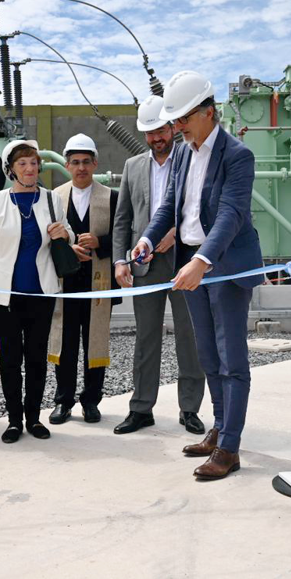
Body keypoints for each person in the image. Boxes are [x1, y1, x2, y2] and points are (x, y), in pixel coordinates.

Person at [132, 71, 263, 481]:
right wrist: (148, 240)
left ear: (209, 112)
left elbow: (230, 215)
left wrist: (202, 261)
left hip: (220, 266)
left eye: (183, 119)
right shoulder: (184, 153)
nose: (177, 128)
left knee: (231, 359)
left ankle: (230, 448)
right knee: (208, 355)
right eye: (174, 121)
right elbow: (171, 205)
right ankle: (219, 429)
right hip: (190, 262)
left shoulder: (237, 155)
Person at [113, 96, 205, 436]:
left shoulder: (192, 159)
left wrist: (175, 232)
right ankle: (140, 409)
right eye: (149, 132)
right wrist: (121, 259)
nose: (156, 138)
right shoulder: (132, 166)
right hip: (144, 268)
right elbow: (123, 219)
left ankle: (190, 409)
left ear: (172, 127)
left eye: (161, 130)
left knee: (189, 337)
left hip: (185, 263)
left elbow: (200, 207)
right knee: (146, 339)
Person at [0, 140, 74, 444]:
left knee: (36, 359)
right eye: (22, 164)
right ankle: (14, 420)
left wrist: (64, 233)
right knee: (10, 361)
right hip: (5, 298)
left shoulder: (52, 200)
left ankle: (34, 418)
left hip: (41, 295)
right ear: (10, 169)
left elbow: (67, 236)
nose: (30, 169)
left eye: (33, 163)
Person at [47, 134, 119, 425]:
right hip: (65, 283)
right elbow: (45, 237)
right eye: (75, 162)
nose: (80, 168)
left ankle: (91, 400)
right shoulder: (53, 197)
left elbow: (125, 236)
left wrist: (100, 242)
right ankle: (63, 401)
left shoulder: (112, 197)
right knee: (65, 343)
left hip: (97, 283)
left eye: (86, 162)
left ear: (95, 163)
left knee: (95, 343)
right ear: (66, 165)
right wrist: (69, 247)